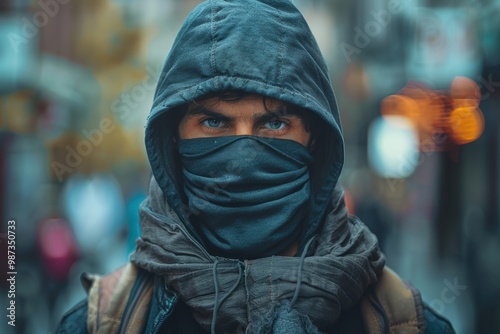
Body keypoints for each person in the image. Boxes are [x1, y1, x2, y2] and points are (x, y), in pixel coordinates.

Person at [56, 0, 455, 333]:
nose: (244, 150)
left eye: (274, 124)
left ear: (314, 140)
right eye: (214, 123)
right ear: (173, 139)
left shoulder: (401, 321)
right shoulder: (106, 321)